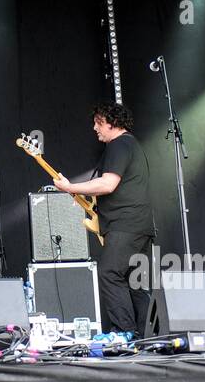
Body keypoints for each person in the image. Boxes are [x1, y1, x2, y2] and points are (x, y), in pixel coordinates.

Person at [53, 103, 155, 336]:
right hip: (138, 224)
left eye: (99, 123)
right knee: (133, 282)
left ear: (112, 123)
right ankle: (148, 335)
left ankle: (123, 332)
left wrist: (70, 187)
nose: (94, 128)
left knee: (110, 273)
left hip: (126, 224)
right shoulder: (130, 144)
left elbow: (108, 184)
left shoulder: (119, 145)